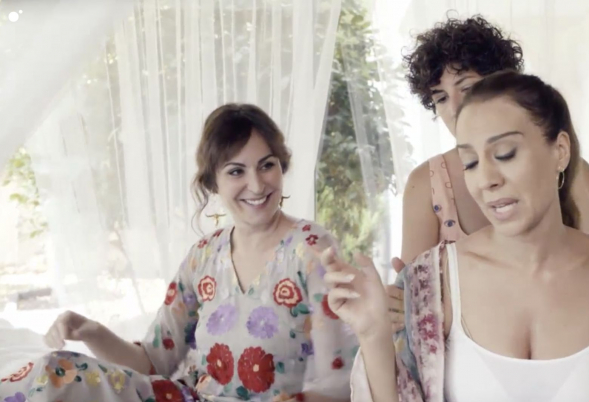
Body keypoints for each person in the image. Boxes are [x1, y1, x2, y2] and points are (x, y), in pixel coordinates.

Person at [324, 71, 589, 401]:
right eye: (470, 163)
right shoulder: (429, 282)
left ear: (560, 151)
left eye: (505, 154)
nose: (486, 179)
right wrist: (373, 334)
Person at [0, 104, 357, 402]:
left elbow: (338, 379)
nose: (256, 184)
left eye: (267, 165)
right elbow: (154, 362)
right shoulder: (203, 256)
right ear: (213, 183)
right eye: (236, 171)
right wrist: (90, 331)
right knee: (56, 373)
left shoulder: (312, 248)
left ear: (282, 166)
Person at [387, 14, 589, 332]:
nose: (455, 107)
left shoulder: (570, 171)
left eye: (467, 87)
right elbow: (412, 308)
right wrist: (393, 311)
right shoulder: (426, 185)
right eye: (440, 98)